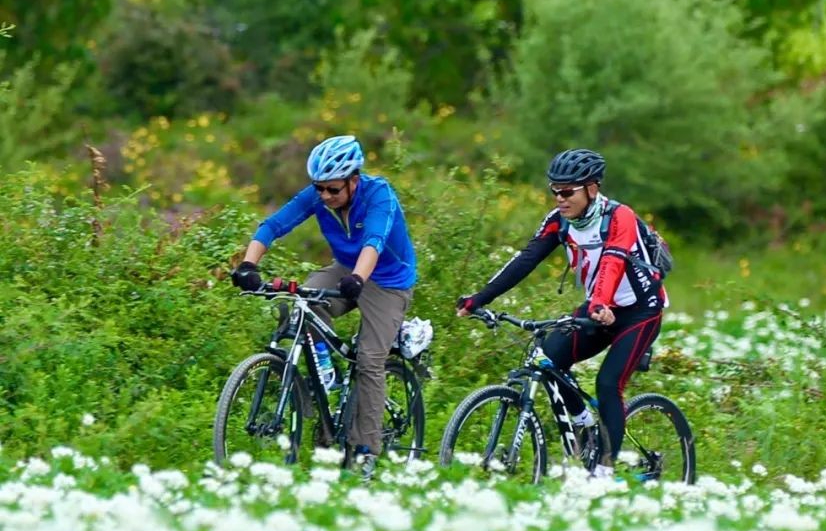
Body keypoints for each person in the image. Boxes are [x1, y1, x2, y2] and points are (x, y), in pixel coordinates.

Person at [456, 148, 666, 479]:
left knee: (608, 382)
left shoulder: (619, 217)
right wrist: (479, 298)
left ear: (592, 188)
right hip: (599, 307)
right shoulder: (559, 221)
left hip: (640, 310)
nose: (559, 198)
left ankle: (603, 473)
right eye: (554, 190)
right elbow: (526, 259)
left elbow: (613, 262)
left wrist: (599, 303)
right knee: (547, 358)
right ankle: (583, 424)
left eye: (567, 191)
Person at [231, 134, 417, 478]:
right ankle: (324, 367)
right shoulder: (319, 197)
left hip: (388, 280)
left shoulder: (380, 196)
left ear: (353, 180)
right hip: (347, 269)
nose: (325, 196)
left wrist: (360, 279)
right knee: (300, 303)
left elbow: (374, 242)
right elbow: (274, 225)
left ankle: (366, 452)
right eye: (319, 189)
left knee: (369, 360)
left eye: (333, 190)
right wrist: (248, 265)